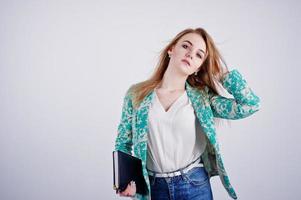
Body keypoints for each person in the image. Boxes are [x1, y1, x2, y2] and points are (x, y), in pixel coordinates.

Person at [114, 27, 261, 200]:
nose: (191, 54)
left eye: (199, 55)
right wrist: (126, 180)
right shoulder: (136, 94)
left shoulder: (202, 98)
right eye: (186, 46)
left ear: (199, 66)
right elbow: (123, 143)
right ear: (171, 49)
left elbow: (250, 105)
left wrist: (220, 74)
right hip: (153, 188)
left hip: (194, 185)